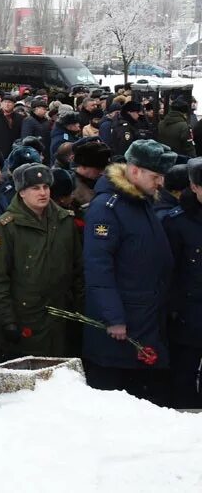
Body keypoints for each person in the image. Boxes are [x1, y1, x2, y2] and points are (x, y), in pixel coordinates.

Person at [82, 139, 176, 402]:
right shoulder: (107, 208)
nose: (160, 183)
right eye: (155, 176)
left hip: (145, 314)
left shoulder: (141, 200)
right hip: (123, 322)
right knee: (117, 396)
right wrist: (114, 318)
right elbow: (98, 267)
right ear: (134, 171)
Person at [0, 163, 83, 361]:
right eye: (35, 188)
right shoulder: (6, 226)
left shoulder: (64, 221)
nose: (42, 193)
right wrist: (7, 320)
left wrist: (80, 306)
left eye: (46, 187)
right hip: (26, 316)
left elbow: (78, 268)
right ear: (21, 192)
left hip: (61, 315)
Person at [161, 160, 202, 408]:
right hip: (189, 314)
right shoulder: (176, 222)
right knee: (184, 376)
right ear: (194, 187)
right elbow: (168, 271)